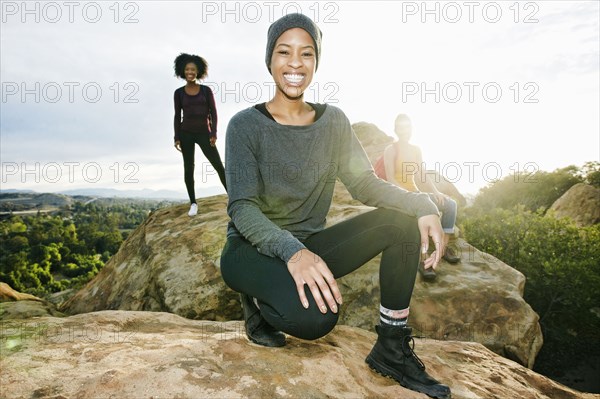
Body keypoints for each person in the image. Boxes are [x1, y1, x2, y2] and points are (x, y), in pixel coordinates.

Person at [219, 13, 451, 399]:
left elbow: (363, 183)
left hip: (310, 245)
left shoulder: (334, 122)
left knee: (402, 223)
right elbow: (241, 208)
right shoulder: (245, 125)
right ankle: (257, 300)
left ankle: (391, 348)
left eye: (306, 54)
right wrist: (294, 253)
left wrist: (421, 202)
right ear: (269, 59)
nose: (295, 63)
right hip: (249, 249)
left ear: (316, 62)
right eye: (284, 51)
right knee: (316, 319)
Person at [382, 114, 461, 282]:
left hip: (417, 194)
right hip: (400, 196)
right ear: (396, 130)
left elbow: (421, 174)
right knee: (419, 214)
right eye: (401, 127)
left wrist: (436, 192)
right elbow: (390, 179)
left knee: (451, 205)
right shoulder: (391, 150)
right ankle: (423, 260)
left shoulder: (416, 149)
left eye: (408, 127)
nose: (405, 131)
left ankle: (441, 250)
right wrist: (412, 196)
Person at [173, 53, 227, 216]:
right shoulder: (179, 93)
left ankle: (234, 198)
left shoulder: (205, 90)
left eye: (193, 69)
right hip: (186, 133)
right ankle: (193, 203)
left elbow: (213, 113)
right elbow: (177, 116)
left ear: (198, 72)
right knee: (188, 168)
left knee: (218, 165)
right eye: (187, 69)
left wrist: (214, 132)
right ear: (183, 71)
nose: (190, 72)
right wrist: (176, 137)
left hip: (204, 133)